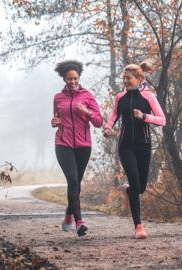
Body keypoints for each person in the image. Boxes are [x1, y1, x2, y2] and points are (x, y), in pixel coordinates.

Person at [103, 62, 166, 239]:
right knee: (135, 181)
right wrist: (108, 128)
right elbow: (115, 115)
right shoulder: (120, 97)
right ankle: (138, 226)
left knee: (140, 187)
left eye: (128, 78)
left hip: (144, 145)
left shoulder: (148, 96)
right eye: (123, 78)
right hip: (125, 146)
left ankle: (130, 191)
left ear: (139, 79)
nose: (125, 81)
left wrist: (144, 116)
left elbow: (162, 120)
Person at [51, 60, 103, 237]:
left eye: (75, 78)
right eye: (69, 79)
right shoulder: (58, 97)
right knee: (72, 180)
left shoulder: (87, 96)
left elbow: (98, 122)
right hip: (63, 144)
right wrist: (54, 122)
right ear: (64, 79)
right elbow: (56, 119)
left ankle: (68, 215)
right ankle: (79, 222)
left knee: (76, 184)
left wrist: (86, 112)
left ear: (79, 78)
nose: (72, 82)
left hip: (83, 145)